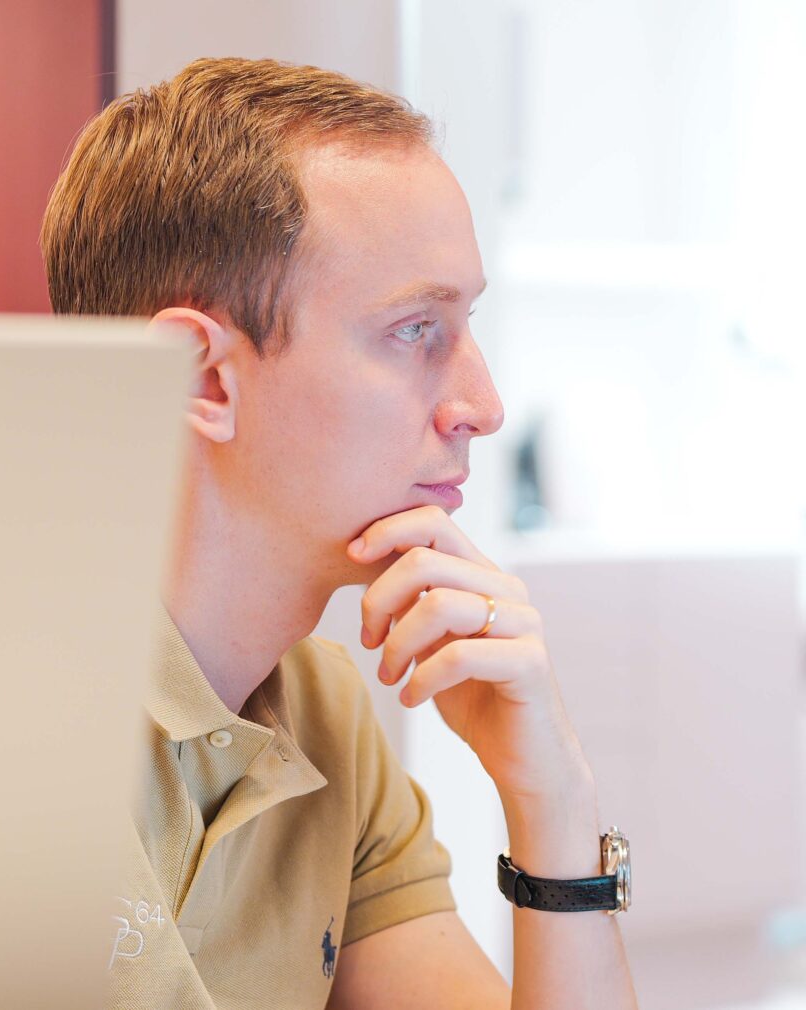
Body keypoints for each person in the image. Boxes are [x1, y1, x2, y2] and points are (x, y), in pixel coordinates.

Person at [40, 56, 639, 1009]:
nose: (482, 407)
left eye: (466, 324)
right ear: (201, 378)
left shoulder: (324, 718)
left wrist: (554, 799)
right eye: (414, 330)